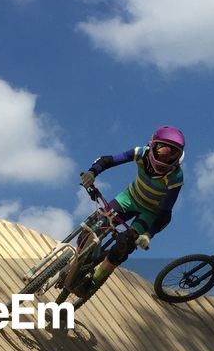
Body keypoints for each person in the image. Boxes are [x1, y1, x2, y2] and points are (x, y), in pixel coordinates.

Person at [77, 125, 186, 294]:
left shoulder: (176, 177)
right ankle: (79, 261)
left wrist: (148, 235)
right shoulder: (141, 153)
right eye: (163, 150)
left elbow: (165, 214)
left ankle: (93, 282)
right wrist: (92, 172)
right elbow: (108, 160)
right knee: (91, 228)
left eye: (173, 154)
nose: (166, 158)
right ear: (152, 145)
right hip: (129, 199)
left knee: (124, 245)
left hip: (148, 213)